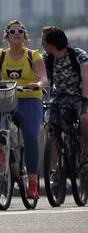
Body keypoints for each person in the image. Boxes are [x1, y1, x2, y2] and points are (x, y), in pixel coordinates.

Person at [0, 20, 47, 199]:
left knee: (30, 135)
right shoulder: (1, 55)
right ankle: (1, 148)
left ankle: (32, 183)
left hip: (29, 98)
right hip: (7, 98)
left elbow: (43, 78)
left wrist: (37, 85)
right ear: (7, 35)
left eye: (20, 31)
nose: (17, 33)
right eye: (13, 31)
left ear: (24, 35)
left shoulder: (33, 55)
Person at [40, 25, 88, 170]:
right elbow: (42, 79)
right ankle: (53, 170)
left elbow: (86, 76)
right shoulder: (46, 58)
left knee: (85, 119)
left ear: (50, 44)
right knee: (49, 127)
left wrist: (84, 97)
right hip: (58, 98)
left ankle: (85, 152)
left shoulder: (78, 54)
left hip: (79, 96)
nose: (43, 45)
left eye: (44, 42)